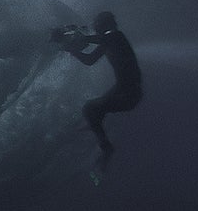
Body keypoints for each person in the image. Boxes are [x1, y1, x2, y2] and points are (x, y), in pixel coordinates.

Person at [53, 11, 144, 175]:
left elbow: (93, 40)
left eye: (97, 24)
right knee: (94, 111)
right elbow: (90, 60)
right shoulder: (108, 42)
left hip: (130, 94)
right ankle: (95, 124)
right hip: (122, 89)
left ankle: (106, 147)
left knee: (89, 109)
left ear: (105, 24)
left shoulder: (116, 36)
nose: (95, 27)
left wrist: (71, 38)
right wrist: (73, 51)